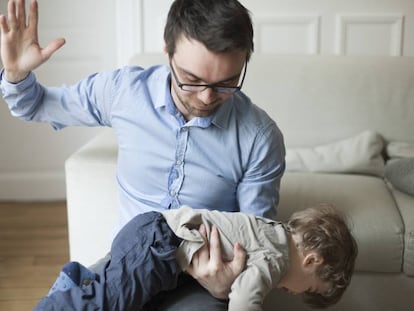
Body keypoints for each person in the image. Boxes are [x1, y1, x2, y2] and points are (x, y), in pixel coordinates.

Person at [0, 0, 286, 309]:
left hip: (200, 284)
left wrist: (224, 285)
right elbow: (36, 105)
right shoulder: (123, 92)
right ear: (167, 51)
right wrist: (17, 75)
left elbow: (258, 239)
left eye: (226, 83)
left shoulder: (260, 137)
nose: (206, 96)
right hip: (127, 265)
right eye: (191, 79)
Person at [33, 204, 358, 311]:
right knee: (109, 303)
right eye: (310, 290)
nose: (295, 293)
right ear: (313, 260)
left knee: (121, 301)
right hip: (157, 245)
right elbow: (246, 297)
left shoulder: (272, 232)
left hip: (154, 242)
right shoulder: (276, 257)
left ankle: (81, 281)